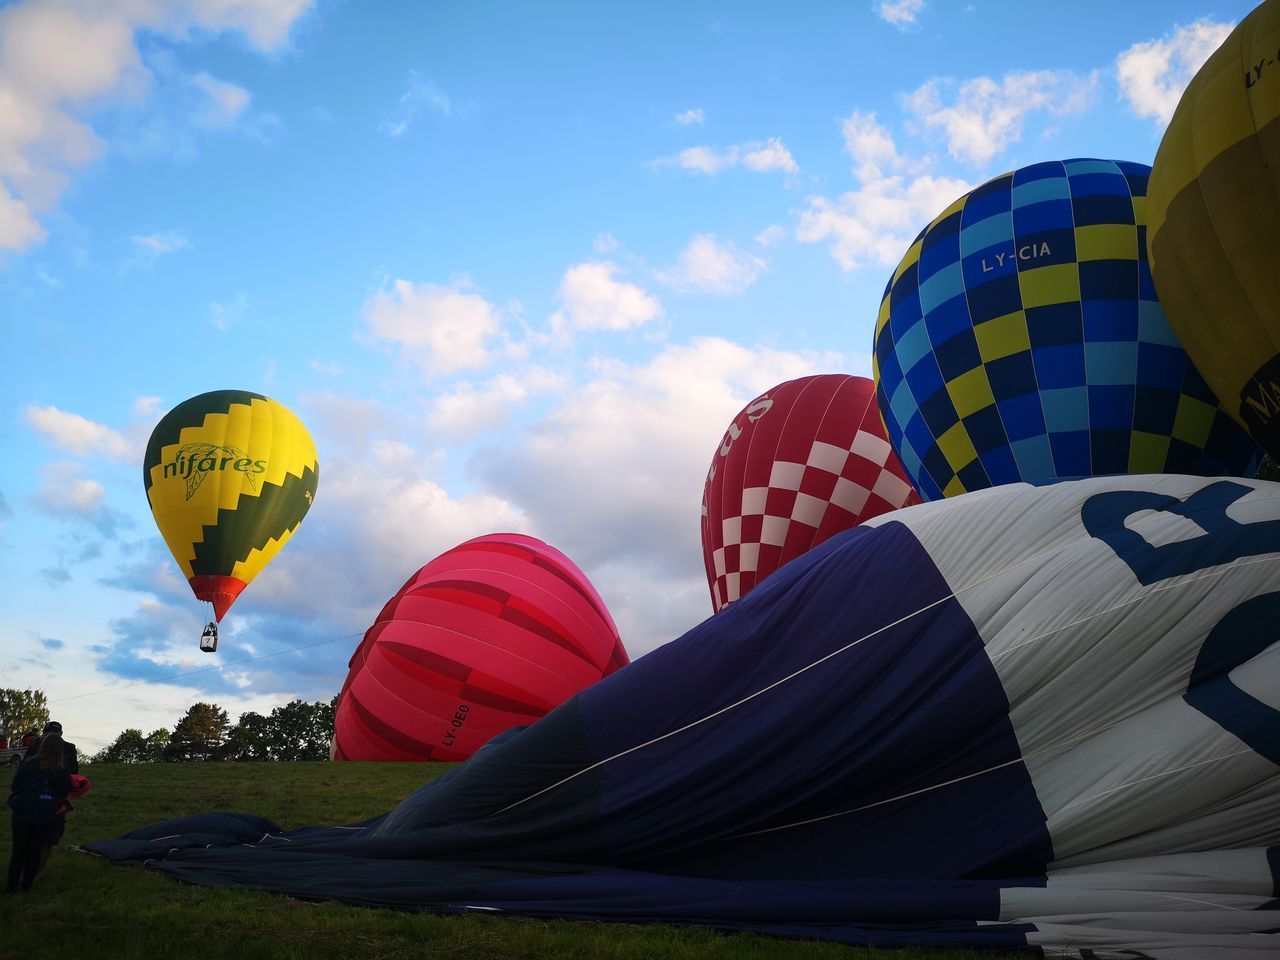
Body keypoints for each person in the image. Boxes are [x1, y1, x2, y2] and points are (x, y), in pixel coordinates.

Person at [6, 733, 72, 893]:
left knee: (18, 851)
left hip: (22, 812)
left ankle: (11, 888)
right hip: (45, 814)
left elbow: (15, 786)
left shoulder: (28, 763)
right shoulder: (62, 770)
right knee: (35, 851)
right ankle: (26, 886)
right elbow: (64, 793)